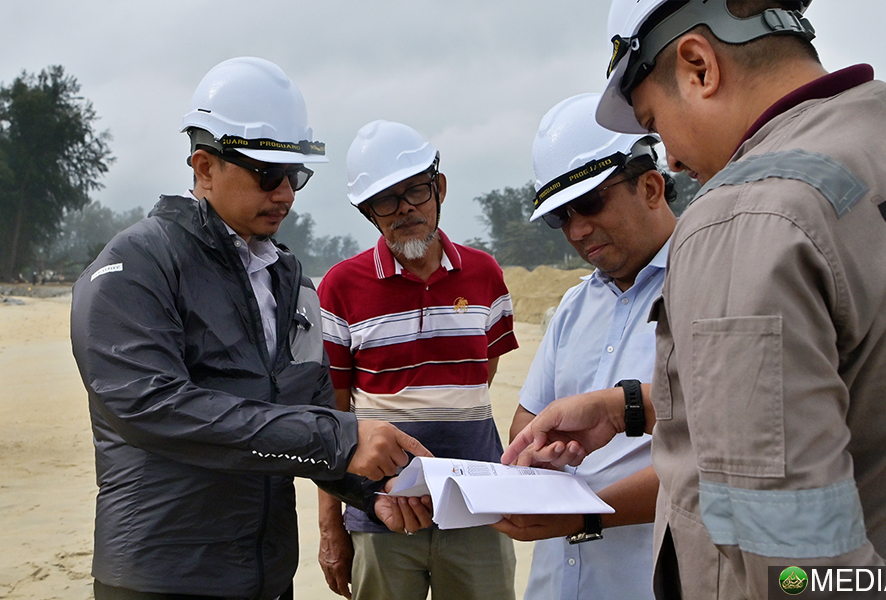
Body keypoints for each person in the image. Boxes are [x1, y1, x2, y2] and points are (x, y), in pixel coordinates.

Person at [505, 1, 886, 599]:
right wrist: (626, 408)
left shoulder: (746, 214)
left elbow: (793, 555)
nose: (677, 161)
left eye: (656, 124)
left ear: (699, 66)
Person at [71, 57, 432, 600]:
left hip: (265, 573)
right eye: (268, 175)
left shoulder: (289, 280)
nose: (285, 193)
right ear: (203, 167)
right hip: (161, 576)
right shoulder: (137, 264)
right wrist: (338, 439)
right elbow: (152, 408)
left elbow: (307, 413)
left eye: (296, 176)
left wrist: (372, 488)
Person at [316, 120, 520, 600]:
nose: (405, 208)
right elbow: (330, 420)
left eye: (416, 191)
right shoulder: (340, 288)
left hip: (478, 510)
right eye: (387, 199)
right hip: (380, 514)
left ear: (440, 189)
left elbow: (479, 381)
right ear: (369, 213)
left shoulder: (485, 275)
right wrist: (331, 528)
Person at [491, 93, 677, 600]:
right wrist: (545, 453)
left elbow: (718, 453)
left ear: (652, 186)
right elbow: (526, 424)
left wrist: (587, 512)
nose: (577, 230)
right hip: (558, 581)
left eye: (591, 204)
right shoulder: (574, 306)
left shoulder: (710, 283)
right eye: (561, 217)